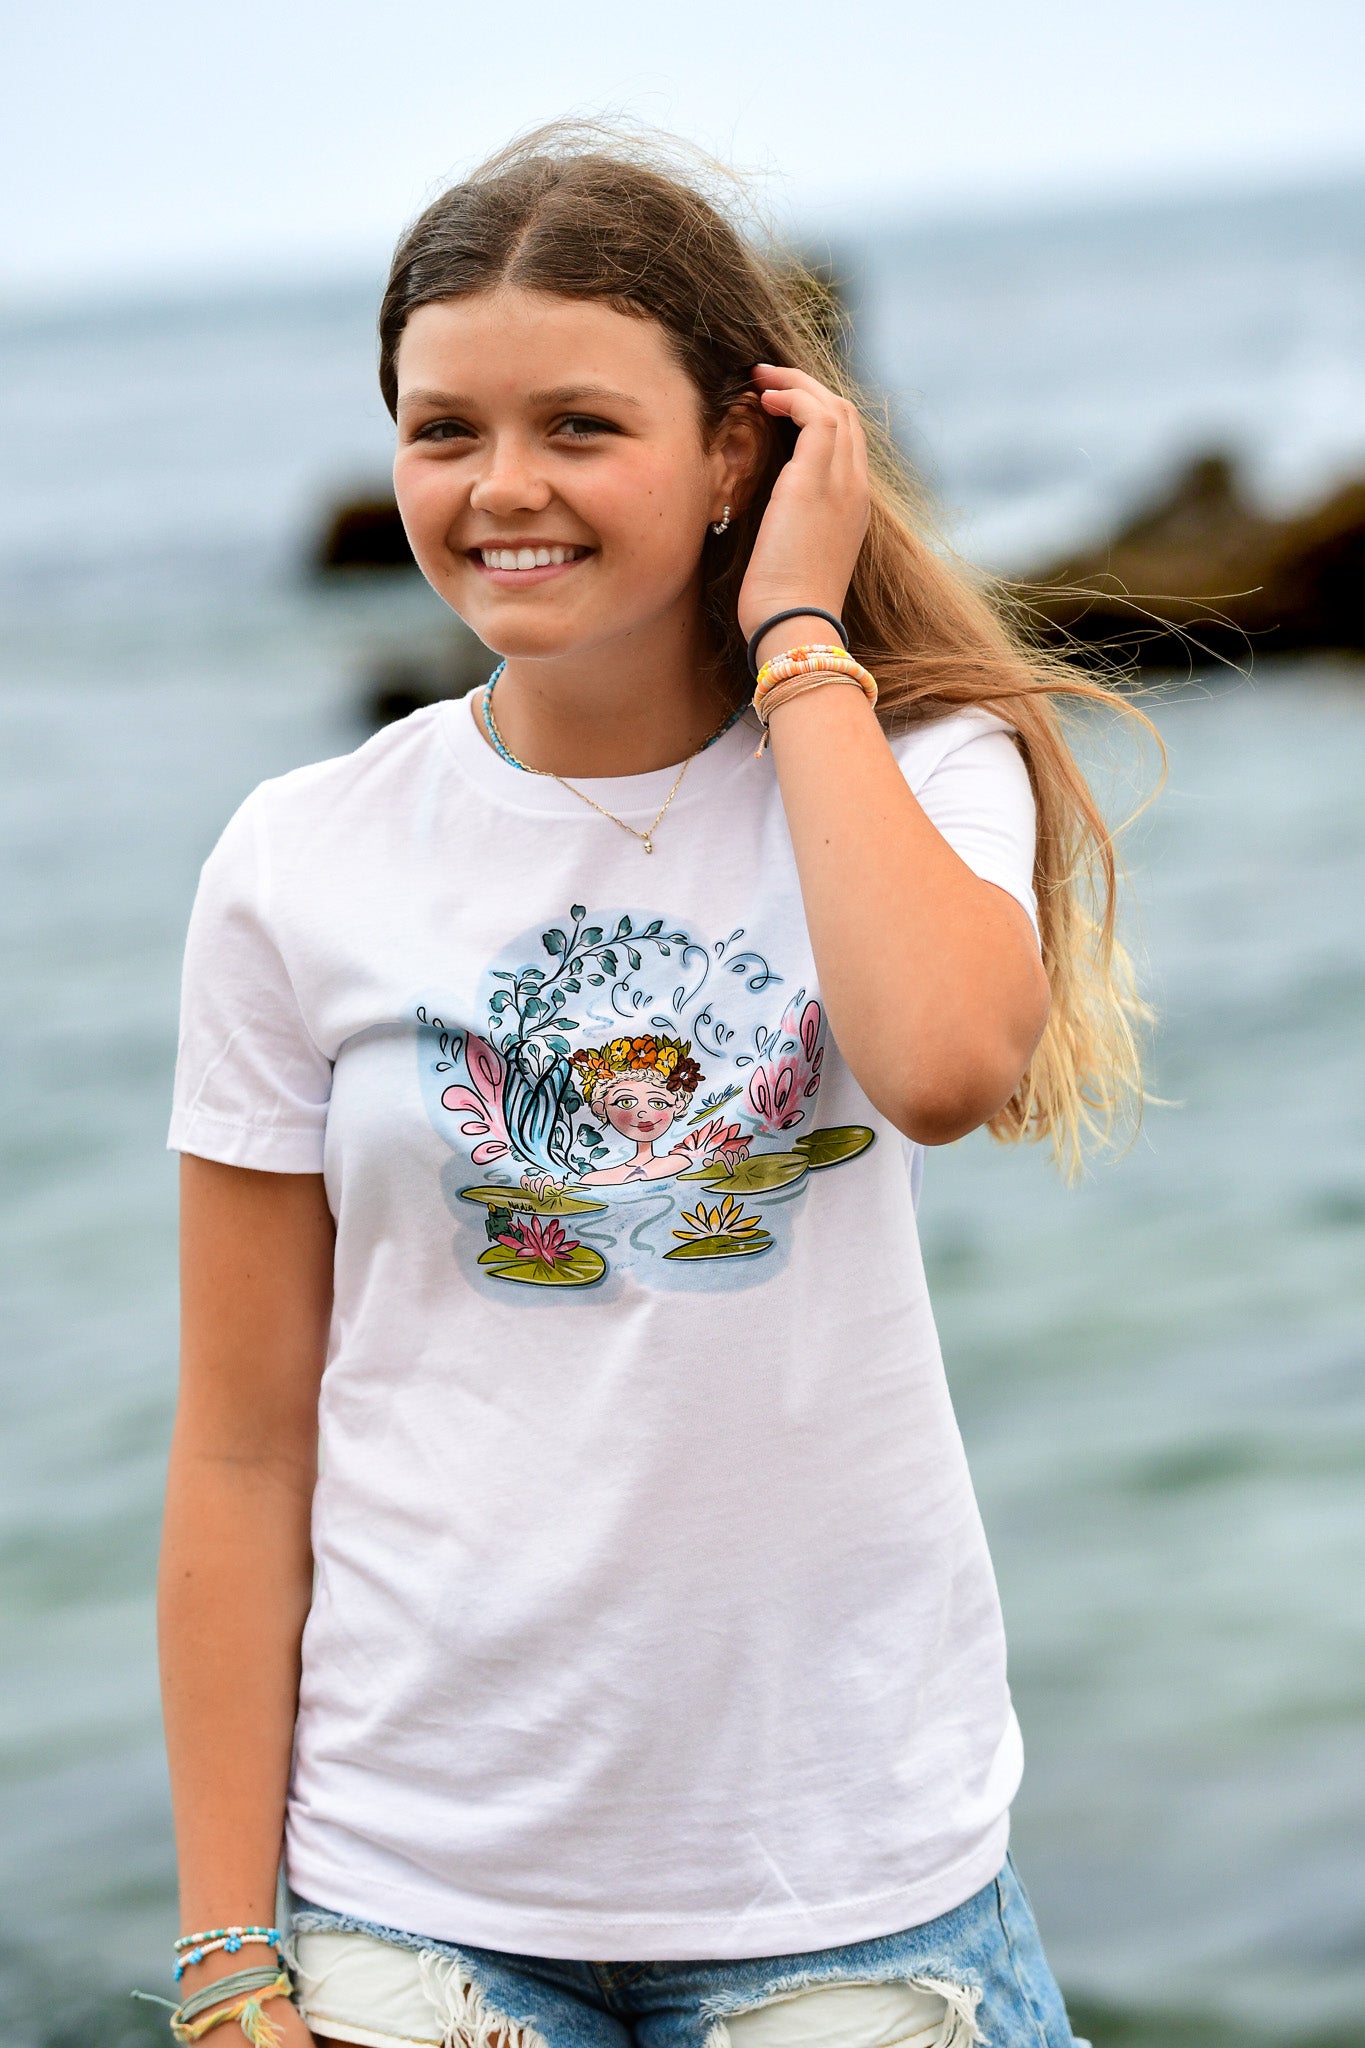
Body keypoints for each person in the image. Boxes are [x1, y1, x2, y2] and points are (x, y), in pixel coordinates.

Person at [160, 126, 1152, 2048]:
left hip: (850, 1888)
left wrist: (799, 638)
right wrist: (225, 1959)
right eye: (443, 429)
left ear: (736, 459)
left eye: (577, 428)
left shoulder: (924, 767)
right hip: (414, 1898)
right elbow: (242, 1446)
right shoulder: (295, 857)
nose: (500, 488)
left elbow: (946, 1068)